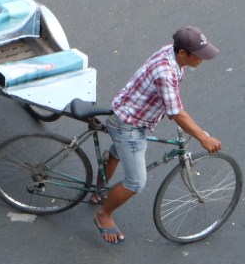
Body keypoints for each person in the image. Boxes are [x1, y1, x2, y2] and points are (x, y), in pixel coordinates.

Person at [94, 26, 222, 244]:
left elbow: (172, 101)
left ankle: (98, 191)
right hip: (129, 124)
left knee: (117, 152)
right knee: (136, 182)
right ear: (183, 53)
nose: (202, 59)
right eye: (198, 55)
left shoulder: (171, 54)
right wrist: (203, 136)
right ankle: (103, 215)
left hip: (129, 110)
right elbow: (175, 112)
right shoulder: (166, 72)